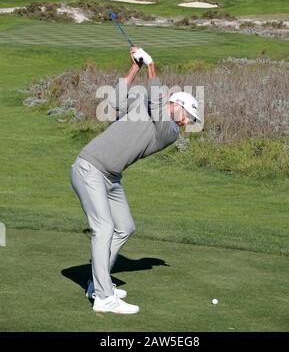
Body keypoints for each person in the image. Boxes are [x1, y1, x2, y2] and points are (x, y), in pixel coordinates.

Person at [70, 47, 201, 314]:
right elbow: (116, 101)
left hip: (111, 177)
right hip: (90, 167)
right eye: (188, 115)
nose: (188, 122)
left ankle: (98, 282)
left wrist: (151, 64)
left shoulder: (170, 131)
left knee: (125, 227)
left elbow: (155, 102)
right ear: (176, 105)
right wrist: (136, 67)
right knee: (104, 228)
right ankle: (104, 297)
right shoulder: (146, 106)